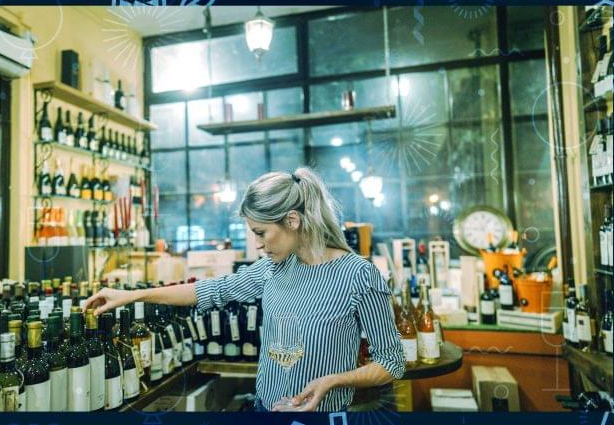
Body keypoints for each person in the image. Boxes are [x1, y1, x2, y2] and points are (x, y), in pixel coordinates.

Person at [84, 167, 404, 412]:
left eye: (261, 232)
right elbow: (209, 291)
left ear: (292, 220)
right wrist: (131, 295)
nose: (258, 243)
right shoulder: (274, 267)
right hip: (265, 409)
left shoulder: (359, 275)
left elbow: (391, 362)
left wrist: (333, 381)